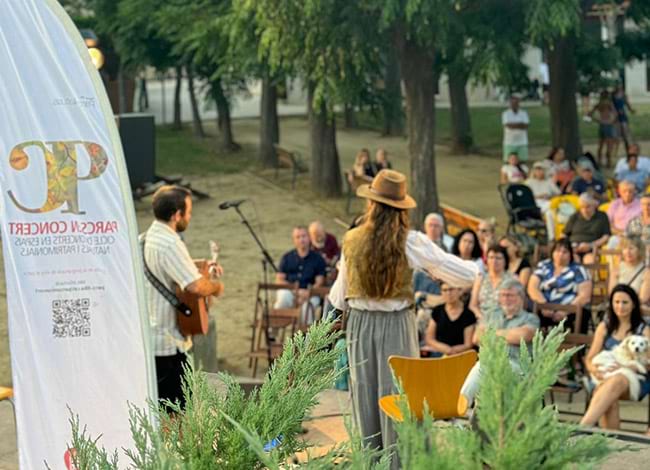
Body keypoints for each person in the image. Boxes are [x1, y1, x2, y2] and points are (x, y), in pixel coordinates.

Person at [327, 169, 478, 457]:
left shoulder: (353, 238)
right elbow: (462, 274)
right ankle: (401, 463)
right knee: (401, 396)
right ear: (400, 209)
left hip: (359, 325)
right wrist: (464, 271)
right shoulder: (410, 241)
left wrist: (326, 325)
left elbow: (339, 292)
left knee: (365, 398)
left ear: (371, 204)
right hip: (396, 323)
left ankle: (371, 462)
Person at [141, 186, 224, 411]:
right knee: (175, 413)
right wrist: (216, 287)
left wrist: (202, 267)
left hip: (153, 337)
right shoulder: (169, 243)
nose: (190, 216)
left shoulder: (148, 237)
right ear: (176, 214)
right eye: (188, 211)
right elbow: (195, 286)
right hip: (168, 343)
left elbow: (172, 271)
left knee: (164, 410)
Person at [460, 279, 540, 408]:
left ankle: (463, 404)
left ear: (521, 298)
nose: (506, 299)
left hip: (517, 365)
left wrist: (491, 333)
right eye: (502, 295)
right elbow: (476, 338)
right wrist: (509, 334)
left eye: (510, 295)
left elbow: (523, 336)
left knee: (487, 367)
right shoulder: (491, 315)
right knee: (484, 365)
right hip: (489, 362)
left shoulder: (530, 318)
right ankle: (464, 405)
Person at [580, 285, 650, 430]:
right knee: (609, 399)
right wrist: (594, 370)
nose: (620, 306)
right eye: (616, 302)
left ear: (634, 304)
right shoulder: (604, 327)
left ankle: (582, 428)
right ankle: (611, 444)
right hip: (604, 375)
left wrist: (627, 367)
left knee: (616, 380)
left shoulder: (644, 329)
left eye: (625, 302)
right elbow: (589, 358)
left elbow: (648, 363)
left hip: (635, 378)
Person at [527, 239, 592, 330]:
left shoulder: (579, 270)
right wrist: (544, 306)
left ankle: (577, 343)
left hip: (569, 309)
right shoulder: (544, 265)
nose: (560, 254)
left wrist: (565, 311)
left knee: (583, 313)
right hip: (543, 307)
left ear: (570, 254)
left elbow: (584, 296)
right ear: (552, 252)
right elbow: (532, 287)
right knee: (527, 308)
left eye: (565, 252)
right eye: (557, 251)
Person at [275, 226, 327, 323]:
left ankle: (306, 336)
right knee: (283, 297)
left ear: (309, 238)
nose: (301, 239)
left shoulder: (318, 259)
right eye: (298, 237)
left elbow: (320, 281)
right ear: (294, 240)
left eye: (304, 236)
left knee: (307, 308)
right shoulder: (287, 257)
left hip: (310, 293)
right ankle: (273, 333)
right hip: (290, 291)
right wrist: (296, 291)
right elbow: (279, 279)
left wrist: (308, 292)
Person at [422, 281, 476, 357]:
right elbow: (429, 338)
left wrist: (451, 351)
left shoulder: (468, 314)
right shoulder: (437, 311)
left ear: (459, 290)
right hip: (439, 352)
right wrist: (446, 349)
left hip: (460, 354)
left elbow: (468, 344)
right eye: (445, 290)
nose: (448, 293)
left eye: (451, 289)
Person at [469, 244, 515, 320]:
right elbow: (473, 305)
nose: (494, 261)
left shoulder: (512, 279)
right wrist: (481, 317)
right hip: (482, 319)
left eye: (498, 258)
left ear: (505, 261)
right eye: (491, 257)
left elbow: (517, 305)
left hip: (505, 319)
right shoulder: (481, 278)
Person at [562, 193, 610, 263]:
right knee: (573, 261)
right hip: (574, 249)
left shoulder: (602, 216)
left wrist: (590, 245)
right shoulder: (575, 216)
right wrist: (568, 247)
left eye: (587, 207)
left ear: (594, 205)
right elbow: (564, 234)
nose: (584, 210)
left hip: (592, 249)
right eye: (582, 207)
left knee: (589, 261)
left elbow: (606, 236)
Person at [608, 237, 650, 302]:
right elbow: (612, 294)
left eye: (631, 248)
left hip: (636, 307)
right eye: (625, 248)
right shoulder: (616, 270)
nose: (628, 252)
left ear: (639, 250)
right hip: (618, 307)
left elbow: (643, 299)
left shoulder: (646, 272)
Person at [525, 161, 560, 239]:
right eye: (537, 170)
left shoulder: (549, 182)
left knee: (549, 213)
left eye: (541, 170)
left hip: (548, 203)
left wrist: (550, 196)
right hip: (535, 204)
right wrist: (538, 196)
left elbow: (558, 193)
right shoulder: (529, 182)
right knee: (552, 208)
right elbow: (525, 197)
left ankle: (552, 237)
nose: (539, 172)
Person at [590, 90, 618, 168]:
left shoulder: (599, 104)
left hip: (602, 124)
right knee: (609, 145)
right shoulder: (609, 103)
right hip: (608, 125)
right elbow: (615, 114)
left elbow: (590, 114)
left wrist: (598, 120)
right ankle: (608, 162)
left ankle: (599, 161)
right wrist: (611, 121)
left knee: (601, 144)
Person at [502, 94, 530, 162]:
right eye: (512, 103)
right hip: (509, 142)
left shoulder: (524, 113)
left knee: (522, 161)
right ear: (510, 103)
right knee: (508, 162)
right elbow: (508, 125)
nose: (514, 104)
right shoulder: (506, 114)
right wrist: (520, 124)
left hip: (522, 142)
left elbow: (526, 126)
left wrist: (514, 124)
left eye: (516, 103)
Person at [612, 83, 635, 150]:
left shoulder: (623, 95)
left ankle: (628, 147)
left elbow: (627, 103)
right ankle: (615, 150)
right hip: (616, 116)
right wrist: (614, 112)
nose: (619, 87)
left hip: (623, 115)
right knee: (617, 133)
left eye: (620, 86)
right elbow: (612, 105)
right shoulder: (613, 95)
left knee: (626, 132)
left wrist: (631, 110)